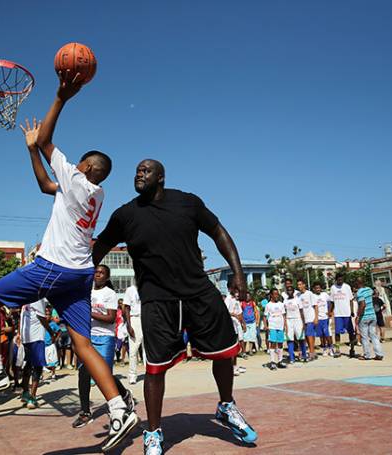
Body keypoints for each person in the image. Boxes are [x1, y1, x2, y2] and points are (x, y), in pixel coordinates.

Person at [0, 73, 138, 452]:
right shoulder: (93, 192)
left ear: (86, 167)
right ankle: (120, 408)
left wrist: (61, 97)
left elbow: (45, 141)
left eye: (81, 162)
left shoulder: (76, 179)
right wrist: (30, 152)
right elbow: (45, 185)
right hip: (80, 274)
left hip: (54, 267)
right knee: (83, 345)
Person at [93, 158, 257, 454]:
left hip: (198, 291)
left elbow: (219, 232)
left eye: (146, 170)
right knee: (155, 368)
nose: (139, 174)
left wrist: (238, 272)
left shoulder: (187, 203)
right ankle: (153, 432)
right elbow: (101, 245)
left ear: (161, 177)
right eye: (137, 171)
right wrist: (77, 278)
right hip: (157, 299)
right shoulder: (125, 215)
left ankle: (226, 406)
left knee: (223, 352)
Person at [73, 265, 134, 428]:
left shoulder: (110, 294)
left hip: (105, 337)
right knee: (83, 373)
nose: (98, 275)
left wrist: (89, 313)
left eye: (101, 273)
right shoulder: (87, 292)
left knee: (105, 375)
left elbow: (111, 318)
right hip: (88, 337)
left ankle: (124, 395)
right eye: (96, 272)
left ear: (107, 277)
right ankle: (85, 412)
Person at [18, 299, 54, 409]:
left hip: (26, 336)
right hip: (36, 336)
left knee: (28, 364)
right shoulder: (38, 297)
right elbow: (41, 318)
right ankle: (32, 398)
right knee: (37, 367)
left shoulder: (26, 297)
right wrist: (51, 332)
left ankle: (25, 393)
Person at [355, 278, 384, 361]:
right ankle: (379, 354)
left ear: (357, 283)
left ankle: (367, 355)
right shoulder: (369, 289)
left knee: (364, 337)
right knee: (374, 336)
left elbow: (362, 305)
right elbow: (373, 293)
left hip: (364, 317)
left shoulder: (359, 292)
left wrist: (358, 316)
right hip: (372, 315)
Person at [329, 273, 356, 358]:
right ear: (336, 280)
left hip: (347, 314)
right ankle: (337, 350)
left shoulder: (347, 287)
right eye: (339, 279)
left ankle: (352, 349)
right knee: (337, 333)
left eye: (342, 279)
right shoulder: (333, 288)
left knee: (351, 333)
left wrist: (352, 311)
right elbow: (332, 301)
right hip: (338, 314)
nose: (340, 281)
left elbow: (351, 300)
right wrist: (330, 311)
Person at [124, 284, 144, 385]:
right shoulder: (130, 290)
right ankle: (132, 375)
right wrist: (129, 325)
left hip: (146, 318)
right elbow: (126, 308)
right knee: (133, 350)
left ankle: (151, 372)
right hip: (134, 319)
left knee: (148, 349)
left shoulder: (147, 287)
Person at [265, 289, 287, 370]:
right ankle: (272, 361)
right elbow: (264, 316)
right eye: (274, 294)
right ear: (271, 295)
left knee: (280, 343)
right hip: (272, 326)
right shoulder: (268, 305)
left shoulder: (281, 304)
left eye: (277, 294)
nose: (276, 296)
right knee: (273, 343)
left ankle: (280, 361)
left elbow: (284, 315)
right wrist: (266, 326)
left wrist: (285, 325)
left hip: (280, 326)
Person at [297, 279, 318, 361]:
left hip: (310, 318)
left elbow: (315, 306)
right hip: (302, 319)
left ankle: (311, 353)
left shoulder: (309, 294)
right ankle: (310, 352)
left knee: (310, 336)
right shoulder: (298, 295)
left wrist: (316, 318)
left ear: (304, 285)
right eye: (298, 285)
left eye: (300, 284)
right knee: (305, 337)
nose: (299, 286)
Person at [284, 288, 306, 363]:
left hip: (297, 319)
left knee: (301, 338)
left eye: (291, 290)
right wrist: (285, 324)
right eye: (288, 290)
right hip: (289, 320)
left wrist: (303, 322)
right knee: (290, 339)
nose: (289, 291)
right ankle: (291, 357)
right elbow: (285, 312)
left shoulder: (297, 299)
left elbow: (301, 311)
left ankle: (304, 355)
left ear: (293, 292)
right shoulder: (285, 301)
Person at [312, 283, 333, 356]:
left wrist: (330, 311)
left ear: (321, 288)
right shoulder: (313, 296)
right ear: (314, 289)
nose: (318, 289)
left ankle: (331, 348)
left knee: (327, 334)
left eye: (319, 288)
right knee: (321, 335)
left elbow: (330, 302)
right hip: (318, 318)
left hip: (325, 317)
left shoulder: (325, 294)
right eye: (316, 288)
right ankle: (324, 348)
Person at [241, 292, 259, 357]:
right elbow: (241, 313)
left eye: (248, 296)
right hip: (245, 323)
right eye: (246, 296)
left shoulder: (253, 303)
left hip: (252, 322)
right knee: (245, 337)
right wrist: (242, 323)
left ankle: (250, 350)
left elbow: (256, 312)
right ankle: (244, 350)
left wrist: (257, 321)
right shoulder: (242, 303)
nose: (247, 297)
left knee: (252, 337)